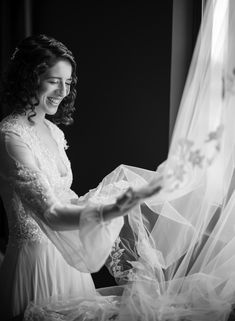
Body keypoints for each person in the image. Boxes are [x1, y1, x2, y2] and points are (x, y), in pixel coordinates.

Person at [0, 34, 162, 321]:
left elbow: (65, 197)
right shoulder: (10, 136)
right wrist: (109, 210)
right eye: (54, 80)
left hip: (68, 263)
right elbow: (49, 213)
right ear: (29, 78)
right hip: (35, 267)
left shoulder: (54, 132)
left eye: (69, 82)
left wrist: (108, 194)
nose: (63, 90)